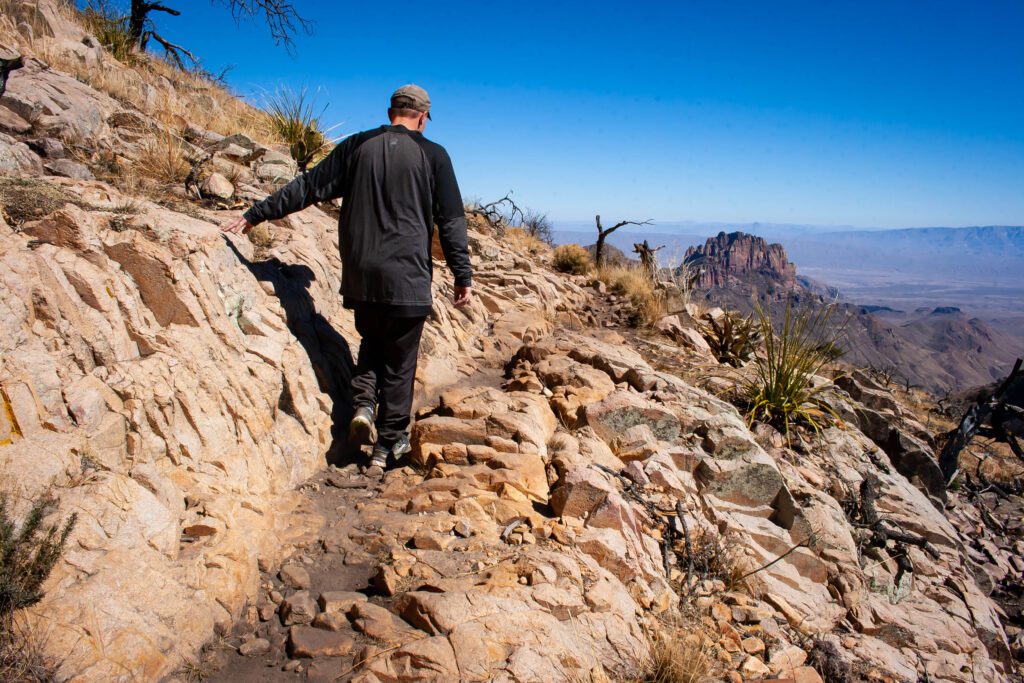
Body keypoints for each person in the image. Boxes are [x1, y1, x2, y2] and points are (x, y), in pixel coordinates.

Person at [221, 84, 473, 470]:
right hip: (407, 277)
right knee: (401, 360)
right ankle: (388, 444)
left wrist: (256, 214)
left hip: (363, 275)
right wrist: (462, 274)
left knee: (372, 340)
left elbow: (308, 187)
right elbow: (452, 223)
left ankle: (362, 406)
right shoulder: (434, 155)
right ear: (423, 117)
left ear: (392, 111)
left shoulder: (357, 146)